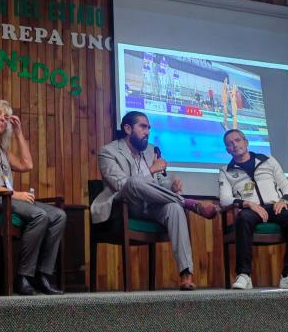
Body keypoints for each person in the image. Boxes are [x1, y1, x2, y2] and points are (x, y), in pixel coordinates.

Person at [91, 111, 219, 290]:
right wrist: (151, 169)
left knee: (174, 208)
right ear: (127, 128)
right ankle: (189, 203)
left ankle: (186, 274)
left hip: (151, 206)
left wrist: (171, 187)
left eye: (149, 128)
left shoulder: (151, 150)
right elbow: (121, 184)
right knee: (133, 182)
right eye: (143, 127)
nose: (147, 132)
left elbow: (159, 184)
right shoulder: (108, 152)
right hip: (124, 207)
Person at [0, 100, 66, 295]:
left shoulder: (2, 151)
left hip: (8, 200)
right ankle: (23, 277)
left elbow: (27, 165)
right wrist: (13, 193)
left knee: (58, 215)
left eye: (5, 116)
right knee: (39, 215)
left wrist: (18, 132)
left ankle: (41, 275)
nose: (3, 118)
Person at [219, 129, 288, 289]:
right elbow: (224, 200)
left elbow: (287, 186)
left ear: (246, 142)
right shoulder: (226, 171)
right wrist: (249, 204)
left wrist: (284, 200)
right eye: (230, 144)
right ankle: (244, 275)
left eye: (238, 140)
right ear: (227, 150)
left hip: (274, 206)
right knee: (242, 218)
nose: (234, 145)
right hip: (250, 209)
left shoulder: (268, 160)